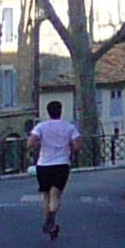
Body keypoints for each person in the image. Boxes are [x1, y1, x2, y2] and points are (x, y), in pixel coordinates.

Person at [28, 101, 79, 238]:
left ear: (48, 112)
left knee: (46, 195)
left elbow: (30, 142)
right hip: (61, 163)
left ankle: (51, 224)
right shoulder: (69, 127)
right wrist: (70, 149)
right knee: (55, 194)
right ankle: (51, 217)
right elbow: (77, 145)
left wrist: (40, 143)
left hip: (43, 164)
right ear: (61, 111)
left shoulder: (41, 126)